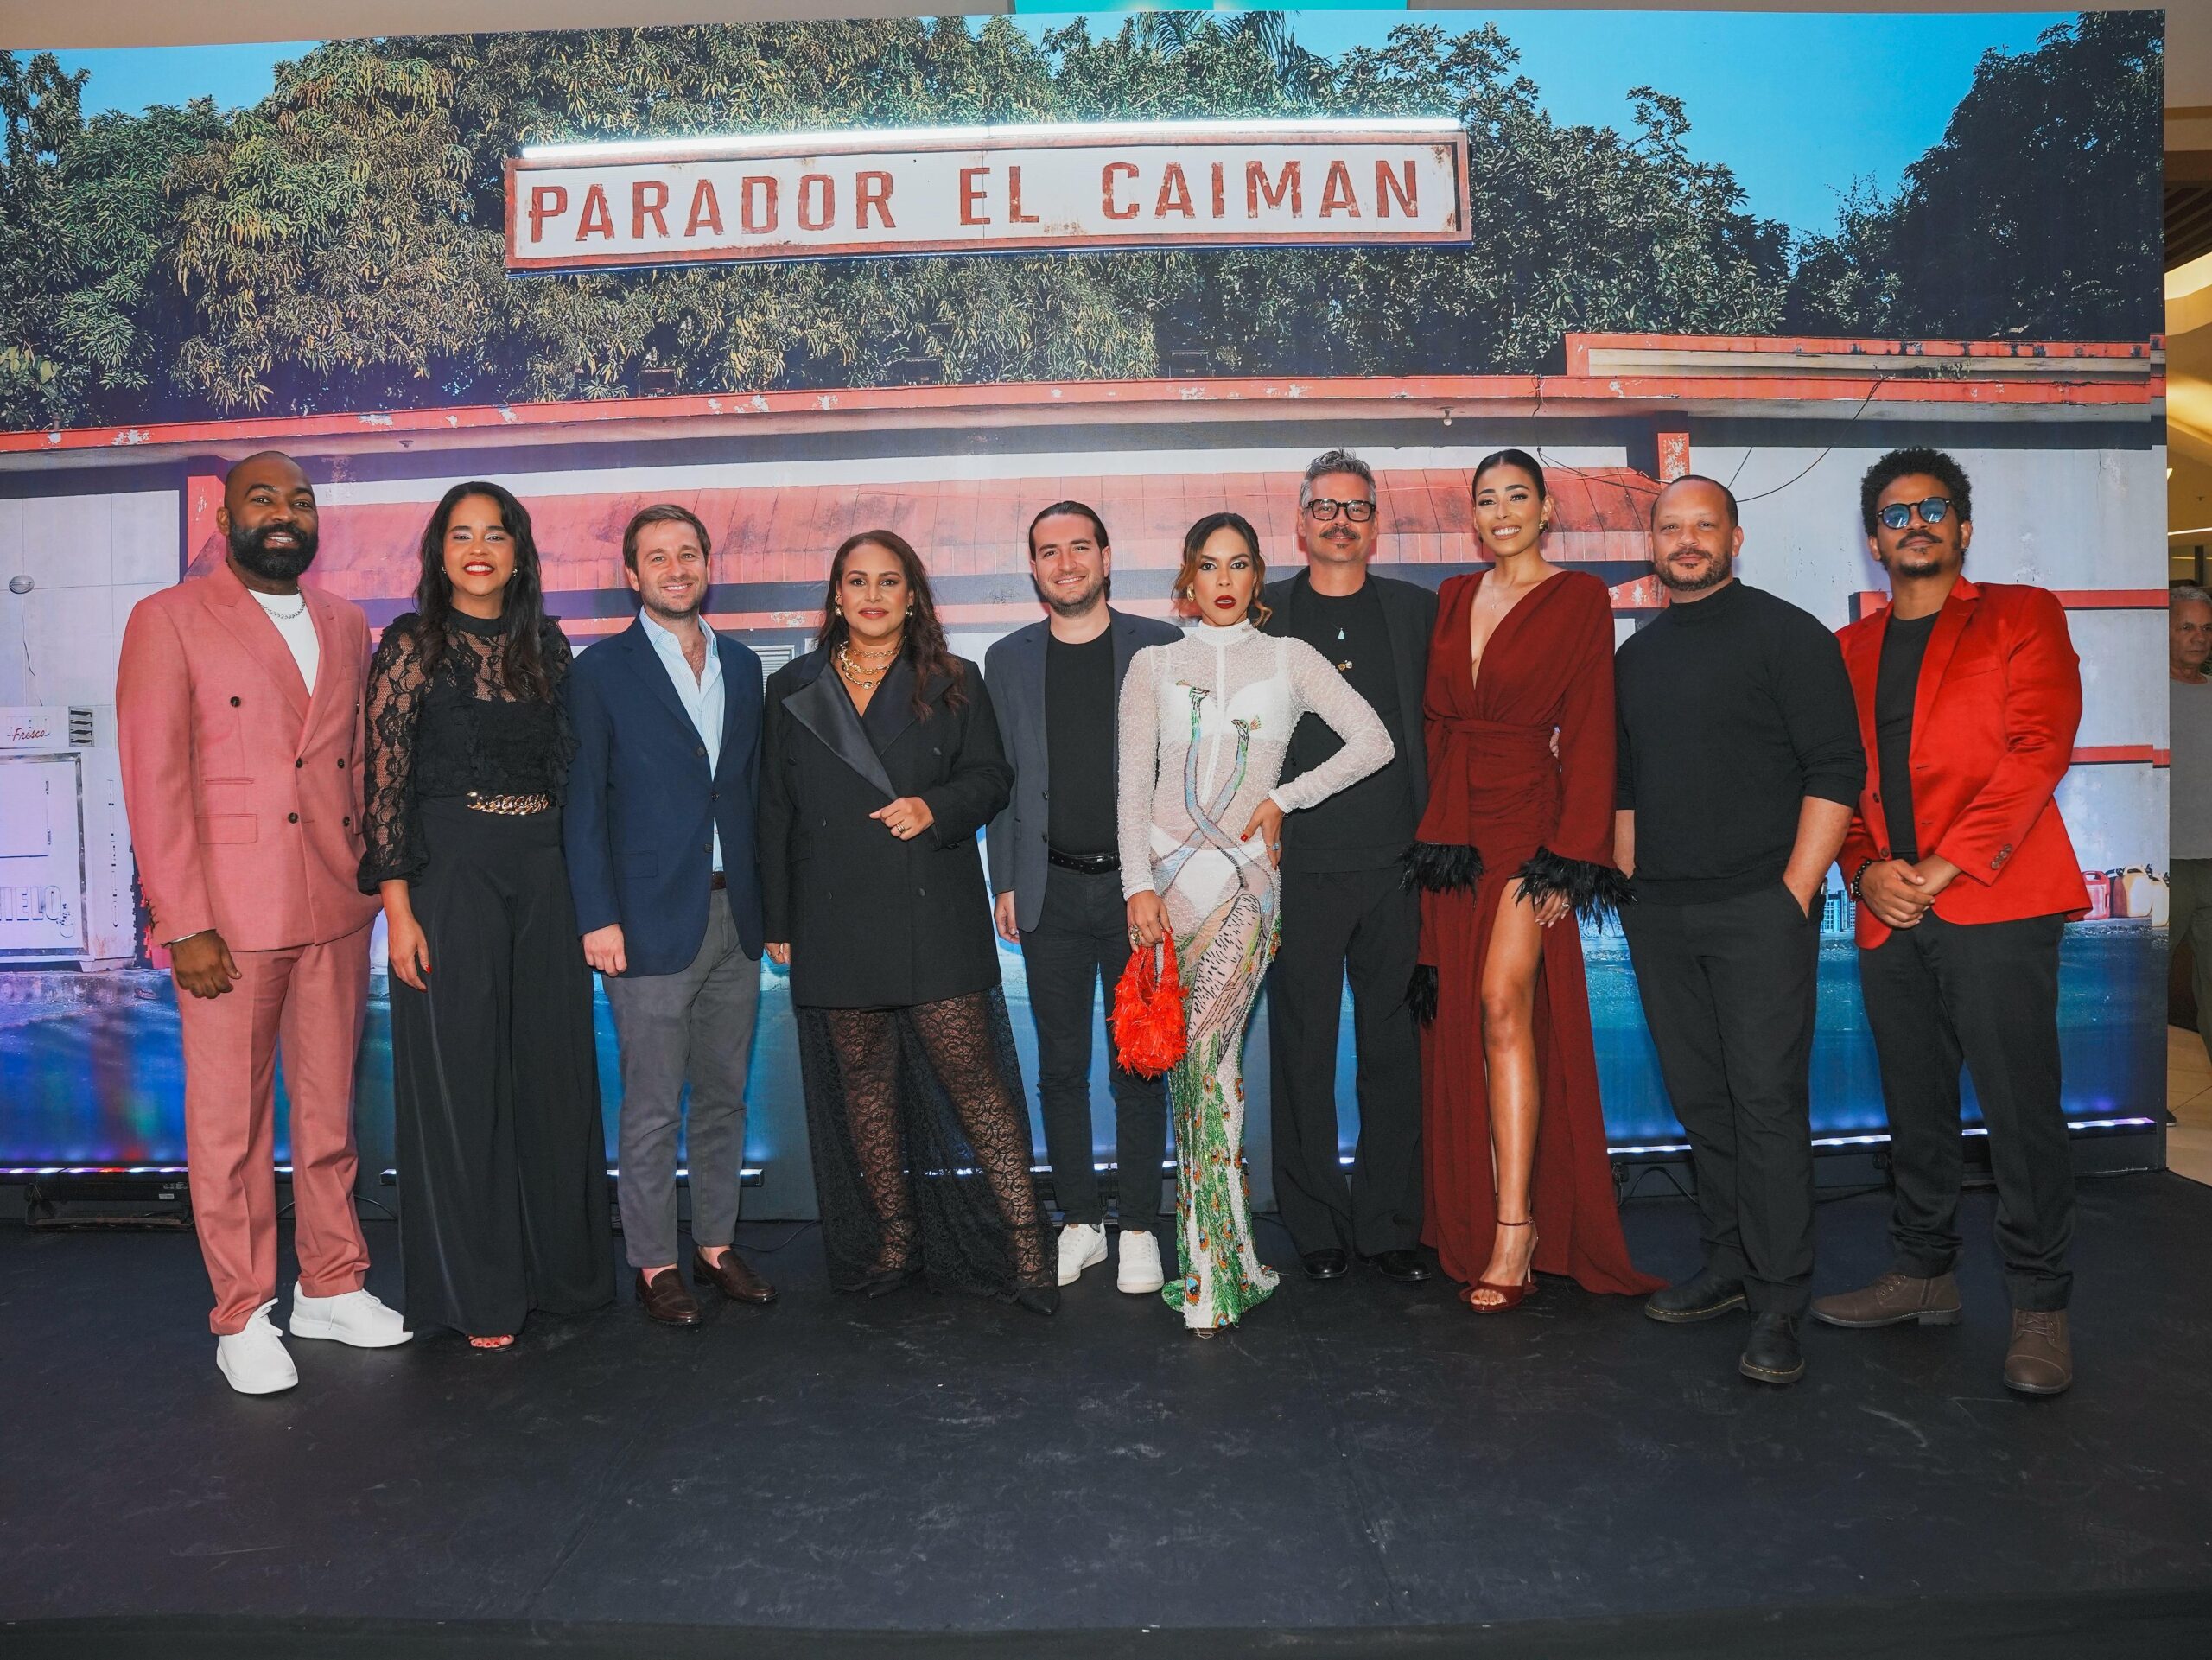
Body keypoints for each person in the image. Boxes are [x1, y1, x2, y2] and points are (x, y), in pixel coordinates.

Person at [116, 450, 410, 1394]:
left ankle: (331, 1281)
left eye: (300, 499)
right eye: (263, 498)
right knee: (230, 1126)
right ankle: (241, 1311)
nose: (284, 513)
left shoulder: (346, 620)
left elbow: (355, 763)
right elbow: (155, 780)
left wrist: (378, 882)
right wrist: (182, 920)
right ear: (225, 515)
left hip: (335, 900)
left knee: (328, 1113)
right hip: (228, 916)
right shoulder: (167, 618)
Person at [1814, 448, 2091, 1396]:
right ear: (1874, 540)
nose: (1916, 524)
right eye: (1896, 514)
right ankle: (1923, 1271)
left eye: (1933, 508)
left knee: (2019, 1111)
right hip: (1890, 910)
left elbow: (2037, 750)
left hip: (1997, 901)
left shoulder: (2023, 614)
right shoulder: (1845, 650)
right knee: (1915, 1105)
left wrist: (1936, 869)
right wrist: (1864, 872)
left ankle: (2041, 1305)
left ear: (1963, 527)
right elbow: (1836, 781)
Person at [759, 531, 1056, 1315]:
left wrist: (935, 806)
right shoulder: (791, 685)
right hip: (832, 914)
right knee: (864, 1085)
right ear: (836, 595)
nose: (872, 596)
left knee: (977, 1083)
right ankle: (894, 1240)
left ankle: (1030, 1247)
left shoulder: (954, 679)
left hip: (932, 907)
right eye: (857, 581)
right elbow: (773, 809)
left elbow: (992, 777)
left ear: (912, 595)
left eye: (888, 581)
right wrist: (778, 918)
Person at [1614, 475, 1864, 1387]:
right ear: (1652, 542)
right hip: (1661, 914)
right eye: (1670, 528)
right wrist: (1631, 890)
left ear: (1735, 537)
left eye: (1703, 526)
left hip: (1761, 908)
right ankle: (1726, 1264)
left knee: (1764, 1105)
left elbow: (1836, 767)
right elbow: (1625, 788)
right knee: (1702, 1101)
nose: (1686, 541)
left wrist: (1793, 894)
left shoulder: (1788, 636)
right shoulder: (1635, 658)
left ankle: (1778, 1298)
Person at [1120, 512, 1395, 1333]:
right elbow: (1132, 785)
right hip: (1167, 888)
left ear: (1257, 575)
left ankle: (1209, 1271)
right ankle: (1227, 1252)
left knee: (1209, 1061)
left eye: (1239, 565)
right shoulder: (1152, 664)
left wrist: (1284, 797)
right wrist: (1137, 886)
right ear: (1188, 576)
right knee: (1195, 1071)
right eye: (1209, 565)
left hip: (1246, 886)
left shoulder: (1290, 658)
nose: (1224, 580)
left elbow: (1374, 741)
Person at [361, 480, 613, 1349]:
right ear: (439, 553)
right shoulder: (410, 646)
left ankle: (562, 1275)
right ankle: (479, 1293)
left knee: (552, 1073)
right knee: (463, 1081)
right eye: (461, 534)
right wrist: (398, 912)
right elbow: (385, 785)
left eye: (494, 534)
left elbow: (575, 777)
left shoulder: (550, 645)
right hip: (451, 875)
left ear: (518, 553)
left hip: (545, 873)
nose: (478, 549)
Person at [1410, 450, 1661, 1312]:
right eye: (1487, 499)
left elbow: (1591, 724)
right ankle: (1478, 1211)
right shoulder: (1452, 597)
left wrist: (1572, 854)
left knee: (1499, 1003)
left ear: (1547, 509)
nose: (1502, 511)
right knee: (1463, 1023)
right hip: (1455, 826)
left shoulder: (1579, 597)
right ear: (1473, 517)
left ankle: (1516, 1229)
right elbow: (1432, 719)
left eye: (1517, 495)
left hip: (1527, 819)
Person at [565, 504, 776, 1329]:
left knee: (724, 1097)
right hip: (645, 921)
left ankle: (715, 1246)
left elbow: (751, 793)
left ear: (707, 564)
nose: (676, 568)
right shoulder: (599, 671)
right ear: (632, 574)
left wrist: (773, 908)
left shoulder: (744, 666)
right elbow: (584, 804)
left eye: (688, 553)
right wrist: (597, 916)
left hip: (735, 917)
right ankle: (655, 1262)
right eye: (658, 557)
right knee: (652, 1106)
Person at [986, 503, 1181, 1294]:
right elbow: (1001, 777)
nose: (1064, 562)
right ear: (1033, 568)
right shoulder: (1006, 659)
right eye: (1048, 551)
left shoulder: (1160, 645)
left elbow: (1184, 771)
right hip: (1049, 890)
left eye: (1078, 547)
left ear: (1106, 557)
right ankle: (1079, 1222)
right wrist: (1004, 878)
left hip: (1141, 894)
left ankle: (1137, 1226)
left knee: (1140, 1065)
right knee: (1061, 1068)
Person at [1259, 450, 1436, 1287]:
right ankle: (1315, 1224)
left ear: (1376, 522)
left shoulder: (1417, 612)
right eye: (1324, 507)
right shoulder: (1263, 613)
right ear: (1300, 521)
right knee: (1300, 1050)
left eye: (1355, 508)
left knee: (1394, 1050)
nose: (1339, 521)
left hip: (1398, 863)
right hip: (1294, 865)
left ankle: (1390, 1222)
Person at [2167, 587, 2212, 1070]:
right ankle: (2140, 1098)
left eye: (2206, 628)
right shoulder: (2145, 698)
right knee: (2143, 993)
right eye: (2186, 627)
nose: (2199, 638)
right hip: (2164, 868)